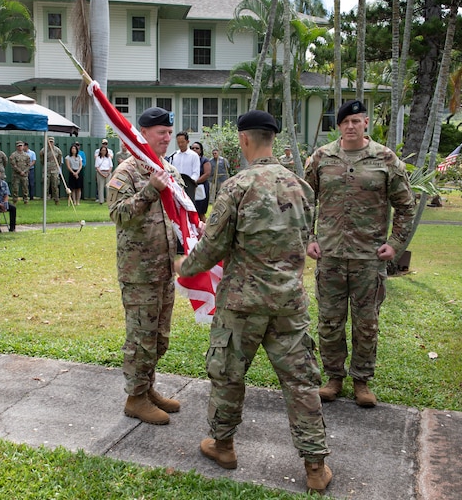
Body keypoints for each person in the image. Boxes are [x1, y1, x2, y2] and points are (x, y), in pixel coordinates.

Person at [173, 110, 332, 494]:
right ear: (271, 139)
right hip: (288, 303)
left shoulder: (236, 186)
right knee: (300, 383)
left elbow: (212, 246)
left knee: (228, 375)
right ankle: (315, 468)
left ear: (244, 140)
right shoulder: (300, 186)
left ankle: (223, 446)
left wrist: (184, 266)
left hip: (242, 303)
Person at [305, 100, 415, 408]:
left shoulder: (384, 159)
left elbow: (406, 205)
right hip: (330, 257)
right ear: (338, 125)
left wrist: (395, 243)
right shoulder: (321, 158)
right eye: (345, 122)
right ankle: (333, 378)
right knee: (329, 321)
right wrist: (308, 238)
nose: (350, 126)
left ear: (365, 122)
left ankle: (362, 381)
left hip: (369, 257)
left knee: (366, 323)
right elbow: (303, 200)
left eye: (356, 120)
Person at [107, 106, 182, 426]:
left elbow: (181, 213)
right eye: (161, 133)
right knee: (141, 337)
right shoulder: (128, 171)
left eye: (169, 132)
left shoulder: (168, 169)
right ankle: (135, 398)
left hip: (165, 268)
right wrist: (151, 190)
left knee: (159, 337)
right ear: (143, 135)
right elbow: (118, 213)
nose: (167, 137)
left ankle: (147, 387)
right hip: (139, 271)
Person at [167, 131, 200, 202]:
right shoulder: (174, 156)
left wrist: (190, 183)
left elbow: (196, 173)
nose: (180, 144)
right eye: (178, 142)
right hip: (176, 186)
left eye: (182, 142)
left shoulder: (194, 156)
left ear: (187, 141)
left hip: (188, 186)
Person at [191, 141, 211, 220]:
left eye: (197, 148)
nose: (194, 149)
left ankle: (205, 230)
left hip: (201, 187)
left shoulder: (204, 160)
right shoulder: (189, 160)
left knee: (200, 212)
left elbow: (207, 174)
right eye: (192, 148)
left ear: (201, 150)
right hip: (191, 188)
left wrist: (195, 181)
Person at [41, 137, 63, 205]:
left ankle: (56, 200)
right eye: (49, 141)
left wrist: (55, 166)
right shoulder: (43, 150)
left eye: (52, 142)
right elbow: (42, 161)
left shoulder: (58, 151)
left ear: (54, 142)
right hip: (46, 170)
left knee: (55, 186)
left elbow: (59, 161)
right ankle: (45, 200)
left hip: (54, 170)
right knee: (45, 186)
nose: (50, 143)